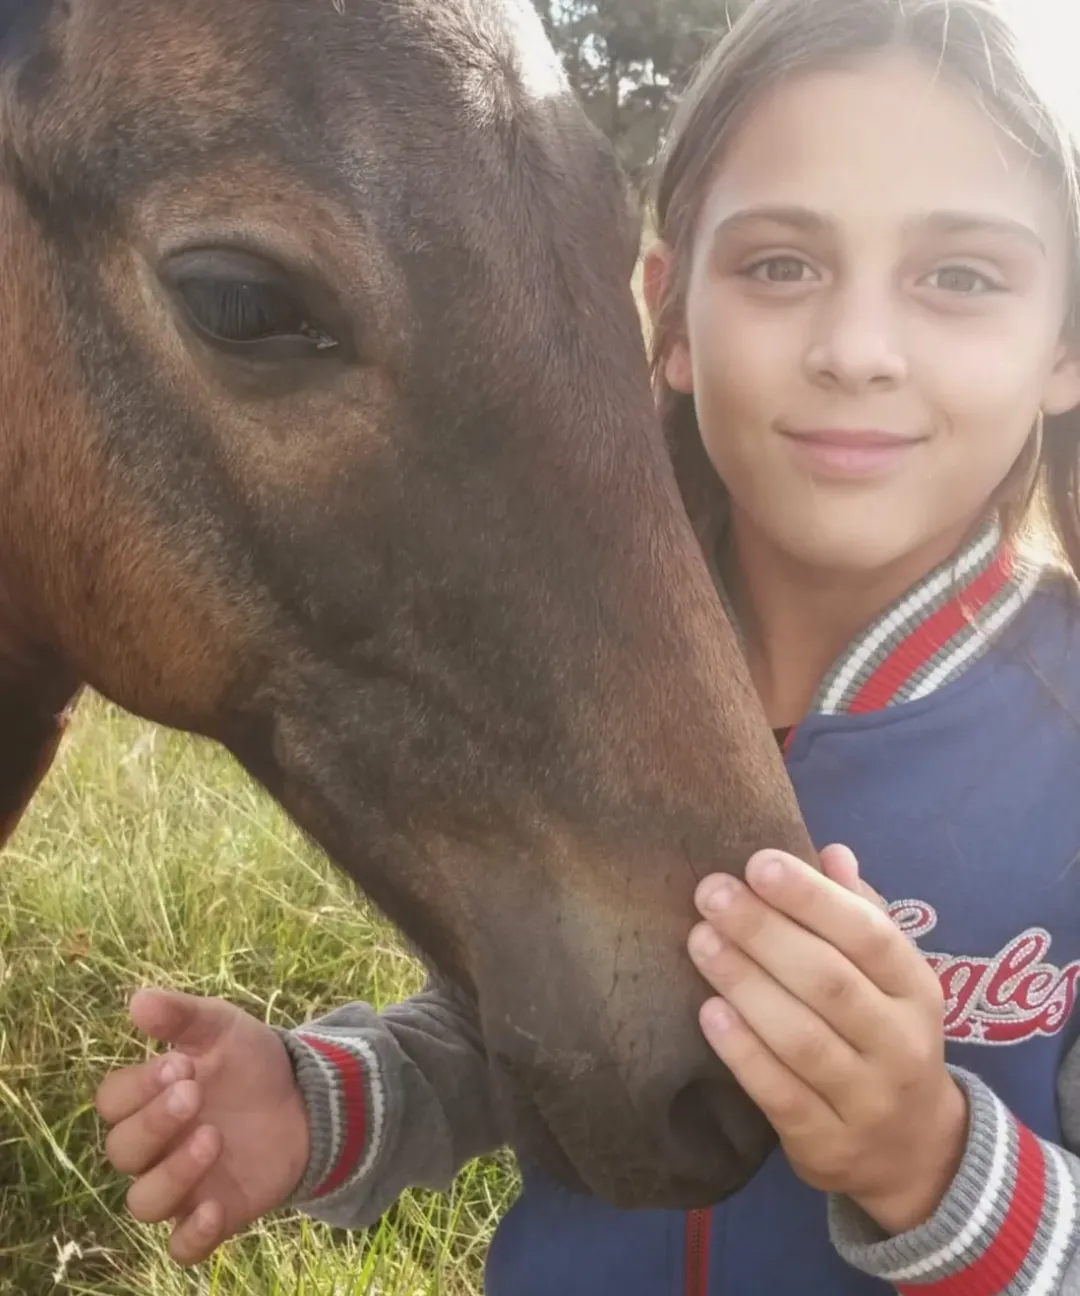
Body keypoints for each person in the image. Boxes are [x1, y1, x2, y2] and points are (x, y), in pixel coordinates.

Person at [92, 0, 1080, 1289]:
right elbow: (535, 1020)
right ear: (668, 315)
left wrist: (931, 1159)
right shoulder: (563, 649)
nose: (858, 351)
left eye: (962, 278)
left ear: (1066, 343)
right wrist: (320, 1102)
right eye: (781, 264)